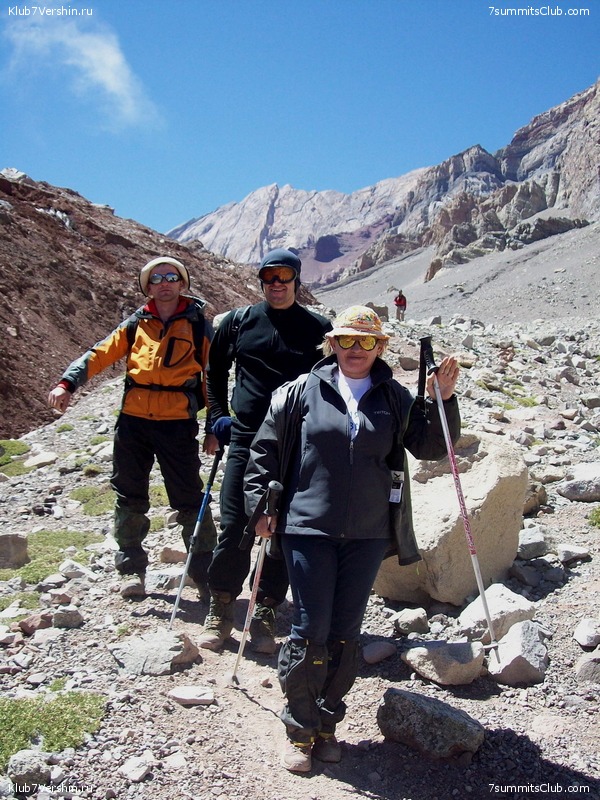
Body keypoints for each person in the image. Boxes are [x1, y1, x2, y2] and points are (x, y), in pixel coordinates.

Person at [244, 305, 460, 772]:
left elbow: (430, 448)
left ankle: (327, 725)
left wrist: (442, 399)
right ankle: (299, 729)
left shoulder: (395, 396)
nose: (355, 349)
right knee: (310, 629)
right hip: (308, 529)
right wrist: (261, 509)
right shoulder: (300, 392)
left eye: (366, 342)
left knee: (344, 634)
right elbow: (264, 451)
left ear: (380, 347)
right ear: (332, 344)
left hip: (366, 534)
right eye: (346, 340)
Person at [48, 257, 218, 600]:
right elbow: (100, 353)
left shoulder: (200, 325)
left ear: (182, 284)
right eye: (157, 278)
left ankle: (205, 574)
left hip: (177, 424)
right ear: (148, 287)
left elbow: (213, 377)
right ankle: (131, 570)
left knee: (188, 498)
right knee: (129, 496)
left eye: (172, 277)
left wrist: (214, 426)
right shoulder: (136, 322)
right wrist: (68, 383)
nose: (165, 282)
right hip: (133, 422)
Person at [201, 248, 332, 653]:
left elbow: (330, 378)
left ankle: (267, 610)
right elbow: (215, 371)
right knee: (237, 521)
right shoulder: (239, 322)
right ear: (261, 281)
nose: (277, 284)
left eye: (284, 277)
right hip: (244, 437)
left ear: (296, 279)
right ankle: (221, 606)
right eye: (269, 277)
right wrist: (217, 417)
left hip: (296, 441)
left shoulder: (318, 328)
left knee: (286, 528)